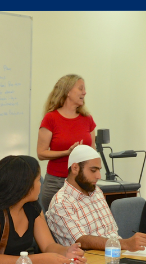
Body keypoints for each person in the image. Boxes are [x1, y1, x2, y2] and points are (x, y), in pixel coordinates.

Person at [0, 155, 85, 264]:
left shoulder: (32, 207)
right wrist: (40, 259)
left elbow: (48, 245)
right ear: (24, 184)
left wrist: (66, 251)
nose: (40, 185)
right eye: (37, 180)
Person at [48, 145, 146, 251]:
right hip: (91, 261)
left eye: (99, 170)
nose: (99, 176)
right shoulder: (61, 203)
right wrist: (125, 244)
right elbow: (81, 241)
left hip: (116, 252)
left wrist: (124, 246)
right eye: (93, 170)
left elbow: (111, 233)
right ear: (75, 168)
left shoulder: (95, 190)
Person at [37, 74, 95, 213]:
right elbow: (41, 153)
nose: (84, 92)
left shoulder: (87, 119)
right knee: (55, 231)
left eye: (84, 89)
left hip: (82, 182)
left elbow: (93, 151)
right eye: (80, 88)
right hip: (56, 184)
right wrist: (67, 153)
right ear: (68, 91)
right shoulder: (51, 118)